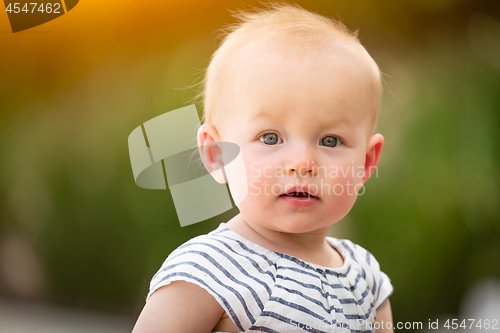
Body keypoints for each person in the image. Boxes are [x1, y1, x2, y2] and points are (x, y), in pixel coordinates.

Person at [132, 2, 394, 332]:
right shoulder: (209, 271)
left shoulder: (366, 280)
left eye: (330, 141)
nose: (302, 163)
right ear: (216, 154)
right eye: (270, 137)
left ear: (367, 162)